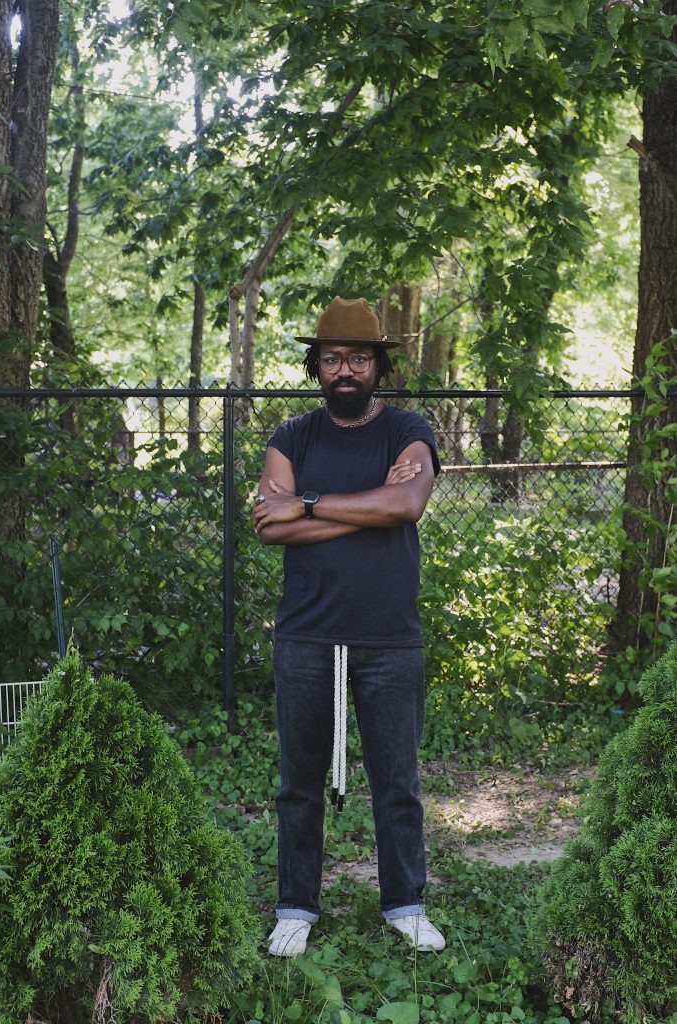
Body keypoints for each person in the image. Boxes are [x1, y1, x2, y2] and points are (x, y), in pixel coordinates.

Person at [253, 296, 446, 957]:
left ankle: (406, 904)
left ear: (377, 367)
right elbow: (264, 521)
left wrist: (305, 504)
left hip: (389, 635)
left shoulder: (406, 430)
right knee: (298, 782)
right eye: (332, 357)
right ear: (315, 366)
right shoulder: (292, 437)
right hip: (304, 633)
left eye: (358, 358)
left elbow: (408, 502)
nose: (345, 369)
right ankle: (295, 906)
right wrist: (370, 508)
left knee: (397, 780)